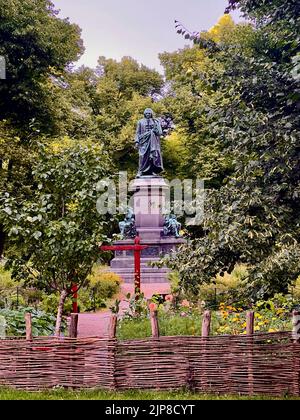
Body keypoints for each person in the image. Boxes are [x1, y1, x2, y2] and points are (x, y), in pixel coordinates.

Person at [135, 108, 163, 177]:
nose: (148, 114)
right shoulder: (140, 122)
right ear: (144, 114)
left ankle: (153, 171)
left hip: (153, 142)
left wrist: (157, 124)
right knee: (142, 156)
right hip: (143, 141)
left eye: (149, 113)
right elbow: (137, 133)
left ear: (151, 114)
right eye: (146, 113)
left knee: (153, 156)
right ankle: (140, 171)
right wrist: (136, 141)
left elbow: (159, 133)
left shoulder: (155, 121)